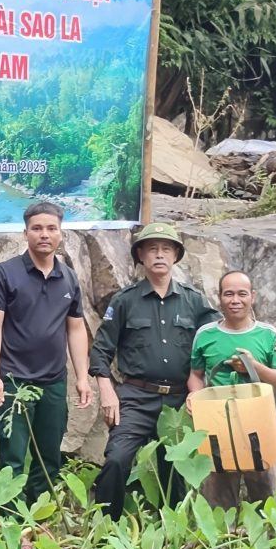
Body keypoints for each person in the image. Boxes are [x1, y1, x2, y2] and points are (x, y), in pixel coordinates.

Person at [89, 222, 219, 521]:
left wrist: (272, 337)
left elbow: (220, 336)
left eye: (166, 249)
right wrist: (107, 391)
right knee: (116, 459)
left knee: (175, 471)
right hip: (135, 398)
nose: (159, 255)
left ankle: (171, 532)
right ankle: (105, 529)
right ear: (141, 256)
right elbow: (101, 350)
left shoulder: (194, 299)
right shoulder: (125, 300)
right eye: (152, 249)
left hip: (179, 401)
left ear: (175, 255)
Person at [0, 201, 92, 507]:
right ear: (25, 233)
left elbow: (76, 329)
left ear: (61, 233)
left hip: (54, 382)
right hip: (14, 382)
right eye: (37, 228)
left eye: (51, 228)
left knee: (49, 458)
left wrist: (82, 378)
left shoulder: (68, 277)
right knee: (12, 459)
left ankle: (39, 517)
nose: (45, 234)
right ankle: (9, 521)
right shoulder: (5, 274)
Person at [188, 270, 276, 509]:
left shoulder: (269, 335)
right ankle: (224, 534)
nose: (235, 300)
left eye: (242, 294)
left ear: (253, 296)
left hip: (259, 426)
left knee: (265, 498)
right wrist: (194, 394)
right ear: (219, 297)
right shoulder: (205, 335)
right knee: (218, 500)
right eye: (229, 294)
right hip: (217, 425)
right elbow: (195, 374)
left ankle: (264, 532)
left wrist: (255, 368)